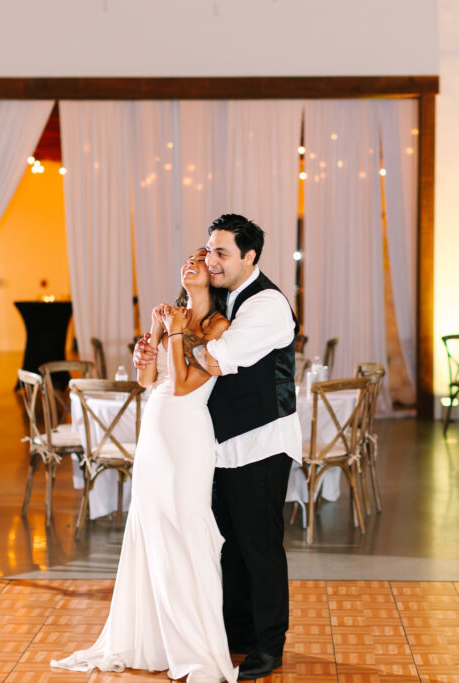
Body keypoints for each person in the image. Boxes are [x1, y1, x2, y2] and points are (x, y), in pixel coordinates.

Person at [51, 248, 237, 683]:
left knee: (186, 522)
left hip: (189, 429)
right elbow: (148, 382)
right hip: (155, 426)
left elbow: (189, 385)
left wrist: (172, 335)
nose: (189, 262)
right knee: (151, 522)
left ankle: (196, 645)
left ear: (212, 274)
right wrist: (146, 350)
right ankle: (152, 641)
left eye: (200, 259)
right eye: (188, 257)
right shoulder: (167, 314)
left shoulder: (218, 325)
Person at [137, 214, 301, 680]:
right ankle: (238, 633)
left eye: (222, 252)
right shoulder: (224, 299)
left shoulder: (265, 304)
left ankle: (269, 647)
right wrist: (152, 352)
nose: (212, 260)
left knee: (260, 546)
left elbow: (213, 361)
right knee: (228, 545)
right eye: (209, 250)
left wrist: (174, 341)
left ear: (250, 257)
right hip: (217, 445)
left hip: (259, 442)